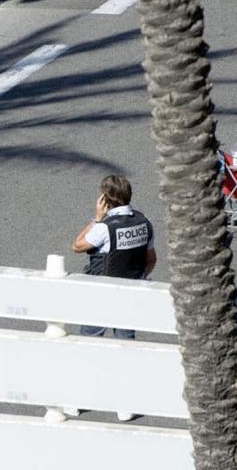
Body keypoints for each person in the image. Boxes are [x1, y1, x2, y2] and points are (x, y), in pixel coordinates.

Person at [71, 174, 156, 422]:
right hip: (130, 294)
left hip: (102, 294)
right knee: (126, 348)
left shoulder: (104, 228)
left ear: (105, 200)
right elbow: (151, 259)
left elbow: (77, 245)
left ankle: (77, 401)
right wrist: (137, 279)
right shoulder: (144, 222)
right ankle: (125, 405)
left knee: (88, 346)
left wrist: (96, 218)